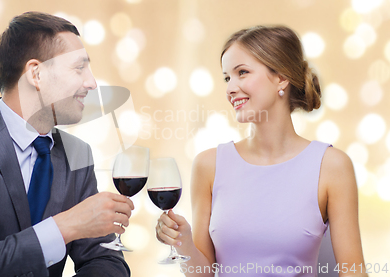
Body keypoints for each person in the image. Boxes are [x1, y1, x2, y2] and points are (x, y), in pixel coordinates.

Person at [0, 12, 133, 277]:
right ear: (35, 74)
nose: (91, 82)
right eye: (79, 68)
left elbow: (108, 262)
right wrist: (64, 227)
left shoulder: (77, 154)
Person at [156, 25, 368, 276]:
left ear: (281, 77)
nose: (230, 88)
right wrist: (184, 242)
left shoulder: (331, 166)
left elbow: (353, 271)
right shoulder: (208, 165)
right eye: (227, 78)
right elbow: (203, 274)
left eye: (242, 72)